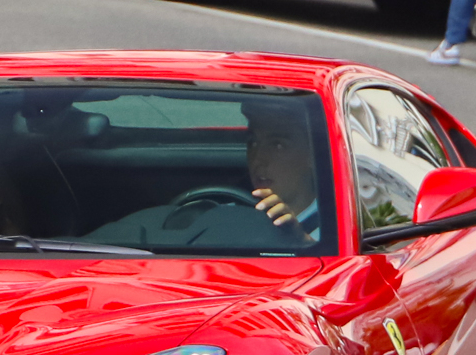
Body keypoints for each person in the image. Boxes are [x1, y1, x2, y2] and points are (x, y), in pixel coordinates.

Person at [86, 103, 322, 247]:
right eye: (252, 142)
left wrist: (301, 243)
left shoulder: (336, 234)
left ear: (314, 156)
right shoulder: (222, 213)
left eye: (278, 146)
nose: (258, 158)